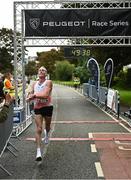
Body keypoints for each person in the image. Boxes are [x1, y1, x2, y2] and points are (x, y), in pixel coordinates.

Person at [27, 66, 53, 161]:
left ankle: (46, 134)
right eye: (40, 70)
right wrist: (29, 95)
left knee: (48, 126)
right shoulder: (34, 83)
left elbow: (45, 95)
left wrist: (33, 95)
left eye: (43, 70)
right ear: (38, 73)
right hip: (37, 107)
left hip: (47, 107)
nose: (41, 71)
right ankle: (38, 152)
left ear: (46, 74)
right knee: (38, 129)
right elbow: (29, 93)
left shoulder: (48, 82)